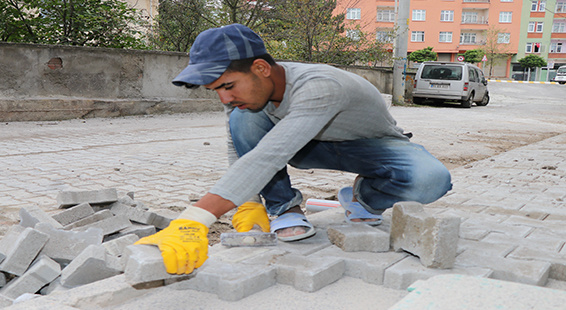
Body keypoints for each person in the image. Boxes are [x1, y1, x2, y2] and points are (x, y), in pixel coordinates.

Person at [135, 24, 452, 275]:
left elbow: (267, 156)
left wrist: (194, 219)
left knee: (431, 179)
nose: (224, 99)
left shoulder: (319, 85)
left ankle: (363, 197)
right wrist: (247, 203)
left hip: (372, 147)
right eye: (215, 90)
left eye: (227, 86)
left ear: (261, 68)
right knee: (243, 120)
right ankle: (283, 208)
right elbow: (241, 147)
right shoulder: (246, 97)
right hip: (305, 147)